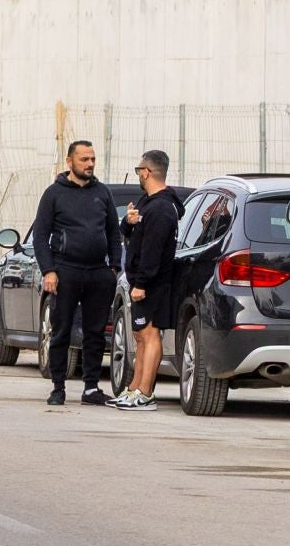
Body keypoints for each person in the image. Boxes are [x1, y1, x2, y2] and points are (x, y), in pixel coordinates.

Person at [30, 140, 120, 406]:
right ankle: (58, 387)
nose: (90, 164)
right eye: (84, 159)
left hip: (97, 273)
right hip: (65, 271)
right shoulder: (54, 194)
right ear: (70, 162)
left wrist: (113, 268)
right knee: (62, 331)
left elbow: (113, 233)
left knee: (94, 333)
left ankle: (91, 388)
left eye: (92, 159)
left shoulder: (102, 193)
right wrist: (49, 270)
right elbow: (40, 237)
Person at [110, 149, 179, 410]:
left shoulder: (161, 208)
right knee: (140, 335)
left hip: (152, 283)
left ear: (147, 172)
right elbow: (130, 233)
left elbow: (153, 250)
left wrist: (142, 283)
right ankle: (133, 388)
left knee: (150, 335)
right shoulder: (147, 202)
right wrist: (128, 223)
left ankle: (146, 392)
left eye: (140, 170)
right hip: (142, 280)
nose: (138, 174)